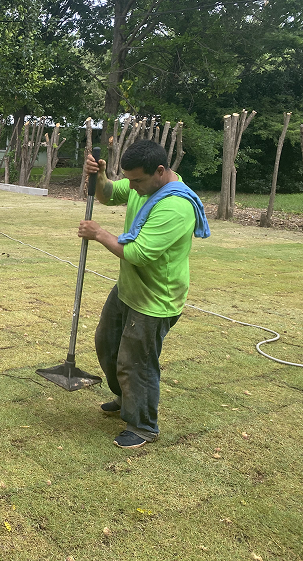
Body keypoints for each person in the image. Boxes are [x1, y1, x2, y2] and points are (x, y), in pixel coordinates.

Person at [78, 139, 210, 449]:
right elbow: (109, 194)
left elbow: (137, 253)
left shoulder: (176, 206)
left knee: (136, 363)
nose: (132, 186)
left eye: (137, 180)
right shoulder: (143, 184)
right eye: (130, 178)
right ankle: (127, 400)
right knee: (106, 343)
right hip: (129, 287)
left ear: (160, 171)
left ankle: (143, 425)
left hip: (155, 300)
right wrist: (99, 177)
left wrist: (99, 233)